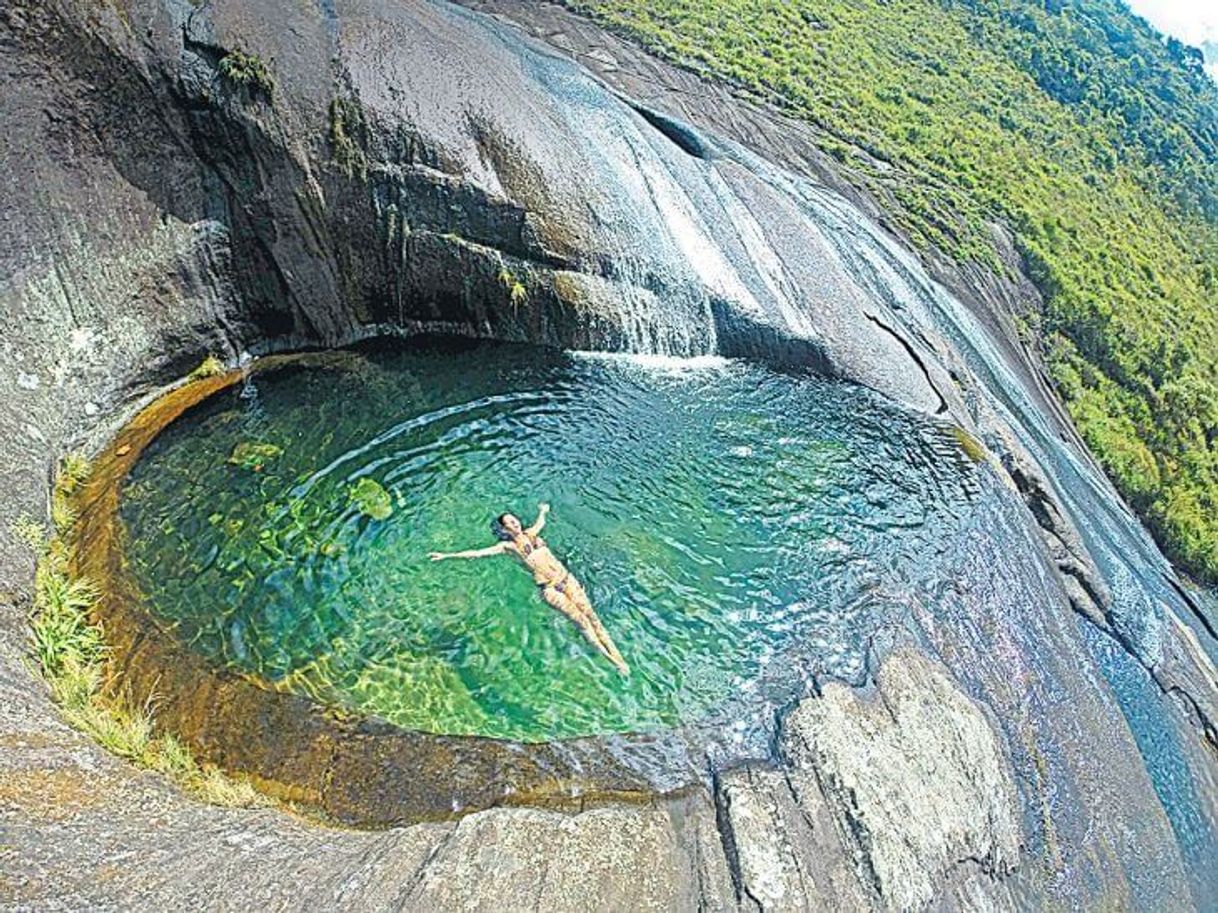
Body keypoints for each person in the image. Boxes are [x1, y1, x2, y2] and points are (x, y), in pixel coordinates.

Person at [429, 504, 630, 676]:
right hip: (551, 590)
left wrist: (542, 511)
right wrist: (447, 555)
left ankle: (618, 656)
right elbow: (478, 553)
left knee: (593, 618)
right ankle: (614, 663)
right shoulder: (507, 547)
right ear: (505, 529)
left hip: (568, 580)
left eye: (515, 520)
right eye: (510, 523)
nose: (515, 524)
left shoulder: (532, 534)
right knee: (583, 622)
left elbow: (540, 522)